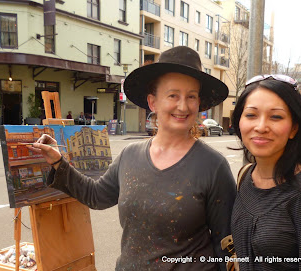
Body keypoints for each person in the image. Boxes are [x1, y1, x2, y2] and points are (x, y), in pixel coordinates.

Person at [29, 46, 236, 270]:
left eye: (191, 96)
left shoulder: (213, 167)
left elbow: (225, 246)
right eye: (173, 95)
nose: (183, 105)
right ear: (153, 102)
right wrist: (58, 162)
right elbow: (96, 195)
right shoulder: (130, 155)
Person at [230, 74, 301, 270]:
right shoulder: (246, 176)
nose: (261, 127)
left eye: (276, 117)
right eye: (251, 115)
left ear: (294, 128)